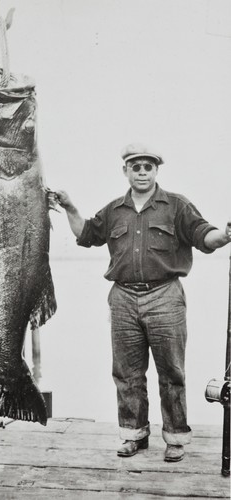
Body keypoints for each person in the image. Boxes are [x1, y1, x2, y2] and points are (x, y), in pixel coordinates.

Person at [53, 142, 231, 462]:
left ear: (156, 170)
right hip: (122, 298)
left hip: (165, 297)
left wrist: (227, 235)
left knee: (171, 371)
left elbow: (206, 237)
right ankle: (133, 434)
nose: (142, 172)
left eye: (149, 166)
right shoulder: (113, 211)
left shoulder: (177, 206)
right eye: (136, 166)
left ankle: (175, 437)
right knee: (126, 372)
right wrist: (69, 206)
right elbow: (84, 235)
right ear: (126, 171)